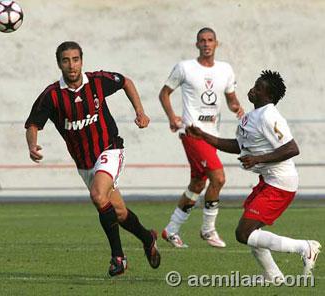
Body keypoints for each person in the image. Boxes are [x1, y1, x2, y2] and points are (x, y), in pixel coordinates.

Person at [25, 41, 160, 277]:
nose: (71, 65)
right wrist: (32, 145)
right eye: (66, 60)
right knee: (118, 211)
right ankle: (146, 237)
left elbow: (126, 82)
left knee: (98, 195)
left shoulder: (97, 81)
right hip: (85, 163)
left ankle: (118, 257)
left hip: (110, 149)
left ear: (81, 61)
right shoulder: (52, 96)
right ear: (59, 64)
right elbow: (33, 124)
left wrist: (140, 111)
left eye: (75, 59)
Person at [186, 70, 321, 281]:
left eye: (258, 88)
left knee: (244, 233)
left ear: (268, 95)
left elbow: (291, 148)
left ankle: (305, 247)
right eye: (255, 85)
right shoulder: (251, 117)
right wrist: (203, 136)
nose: (252, 90)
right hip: (268, 182)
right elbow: (237, 146)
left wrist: (258, 159)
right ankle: (273, 275)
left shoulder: (269, 115)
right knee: (251, 232)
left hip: (281, 184)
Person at [159, 27, 244, 248]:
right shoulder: (185, 68)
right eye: (202, 40)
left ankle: (171, 229)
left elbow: (231, 99)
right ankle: (208, 230)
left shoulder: (225, 70)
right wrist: (171, 117)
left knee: (198, 183)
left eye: (210, 40)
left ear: (217, 43)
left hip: (212, 135)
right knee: (219, 178)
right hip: (192, 132)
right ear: (196, 44)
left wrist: (240, 111)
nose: (206, 44)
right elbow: (164, 93)